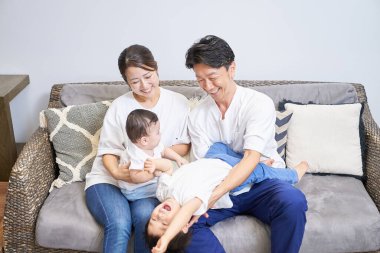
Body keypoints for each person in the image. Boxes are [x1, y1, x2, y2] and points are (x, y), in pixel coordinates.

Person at [182, 35, 308, 253]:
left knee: (293, 201)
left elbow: (249, 159)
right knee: (183, 227)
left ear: (232, 69)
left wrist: (210, 197)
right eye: (200, 79)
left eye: (212, 77)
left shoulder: (258, 104)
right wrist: (257, 166)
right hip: (223, 188)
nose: (207, 86)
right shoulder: (198, 116)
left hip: (261, 187)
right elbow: (210, 166)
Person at [84, 44, 190, 253]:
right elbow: (108, 151)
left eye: (148, 76)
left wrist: (156, 160)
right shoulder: (120, 106)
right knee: (119, 224)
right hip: (109, 180)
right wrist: (117, 173)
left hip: (145, 185)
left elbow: (185, 144)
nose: (144, 85)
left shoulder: (178, 102)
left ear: (156, 68)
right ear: (126, 82)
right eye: (135, 81)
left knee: (145, 219)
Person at [145, 140, 308, 253]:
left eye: (154, 219)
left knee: (220, 148)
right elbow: (185, 214)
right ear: (181, 223)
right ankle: (292, 174)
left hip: (217, 160)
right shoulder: (191, 202)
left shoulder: (163, 192)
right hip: (234, 176)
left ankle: (262, 167)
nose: (160, 216)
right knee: (257, 170)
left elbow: (166, 168)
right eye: (166, 224)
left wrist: (156, 164)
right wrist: (166, 239)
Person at [118, 109, 188, 201]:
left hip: (150, 183)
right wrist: (153, 174)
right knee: (170, 191)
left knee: (172, 184)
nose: (161, 133)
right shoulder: (135, 155)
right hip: (135, 190)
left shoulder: (153, 144)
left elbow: (164, 151)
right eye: (158, 132)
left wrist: (178, 158)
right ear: (144, 140)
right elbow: (135, 177)